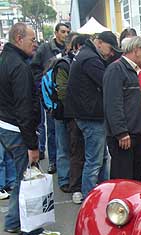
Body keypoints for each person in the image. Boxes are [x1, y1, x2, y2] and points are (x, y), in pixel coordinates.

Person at [0, 23, 61, 235]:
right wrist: (33, 145)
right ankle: (32, 230)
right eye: (32, 39)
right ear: (18, 38)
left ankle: (14, 221)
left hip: (7, 126)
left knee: (20, 177)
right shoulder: (18, 65)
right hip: (16, 129)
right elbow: (24, 108)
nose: (35, 43)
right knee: (26, 179)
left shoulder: (6, 60)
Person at [67, 31, 121, 200]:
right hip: (91, 116)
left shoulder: (86, 54)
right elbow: (107, 82)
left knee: (101, 158)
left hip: (87, 114)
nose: (111, 54)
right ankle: (91, 197)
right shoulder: (90, 59)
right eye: (110, 49)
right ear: (99, 42)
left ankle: (101, 194)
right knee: (94, 161)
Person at [104, 37, 141, 181]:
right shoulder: (116, 69)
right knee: (123, 181)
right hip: (124, 137)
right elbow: (113, 104)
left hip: (136, 133)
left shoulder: (135, 70)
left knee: (135, 180)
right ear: (136, 50)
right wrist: (121, 133)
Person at [31, 22, 71, 174]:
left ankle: (63, 165)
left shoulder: (68, 49)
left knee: (64, 133)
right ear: (56, 33)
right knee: (52, 130)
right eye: (63, 31)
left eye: (67, 31)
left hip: (64, 100)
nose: (65, 34)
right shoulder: (45, 49)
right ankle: (53, 161)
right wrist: (43, 85)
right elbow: (34, 68)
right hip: (50, 98)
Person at [56, 34, 90, 204]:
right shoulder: (64, 64)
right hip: (70, 115)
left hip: (84, 114)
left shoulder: (86, 62)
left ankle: (80, 184)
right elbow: (62, 92)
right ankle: (71, 185)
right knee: (72, 150)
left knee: (86, 152)